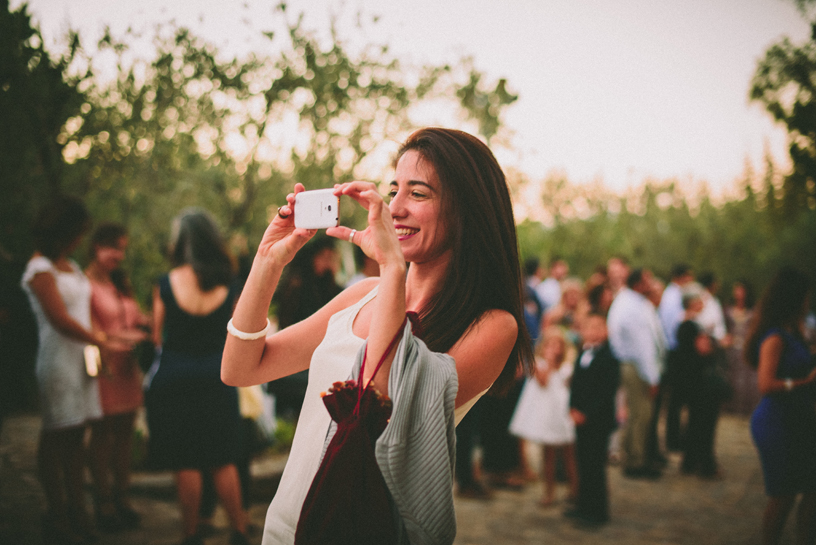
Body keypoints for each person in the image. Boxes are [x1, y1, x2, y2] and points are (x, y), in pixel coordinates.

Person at [221, 127, 531, 545]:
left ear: (467, 210)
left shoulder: (492, 325)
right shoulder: (361, 295)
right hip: (286, 527)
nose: (394, 208)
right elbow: (240, 369)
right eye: (393, 190)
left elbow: (379, 408)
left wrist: (391, 270)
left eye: (418, 194)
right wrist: (267, 261)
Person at [144, 209, 249, 545]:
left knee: (185, 460)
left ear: (181, 241)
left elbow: (157, 336)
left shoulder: (165, 283)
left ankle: (191, 534)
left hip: (174, 378)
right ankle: (240, 531)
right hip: (218, 376)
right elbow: (239, 331)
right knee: (223, 458)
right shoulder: (229, 283)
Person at [20, 195, 110, 544]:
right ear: (62, 230)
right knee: (56, 434)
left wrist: (98, 344)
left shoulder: (70, 265)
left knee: (77, 435)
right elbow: (59, 320)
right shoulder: (39, 269)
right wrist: (100, 339)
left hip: (82, 360)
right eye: (77, 232)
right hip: (58, 361)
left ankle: (78, 507)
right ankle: (57, 511)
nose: (80, 240)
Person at [85, 223, 150, 532]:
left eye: (122, 249)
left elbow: (138, 317)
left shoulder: (120, 283)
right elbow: (92, 331)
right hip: (106, 369)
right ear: (97, 246)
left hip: (129, 370)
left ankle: (123, 497)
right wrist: (125, 337)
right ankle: (104, 500)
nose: (118, 255)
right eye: (113, 248)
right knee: (103, 437)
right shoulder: (85, 285)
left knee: (125, 435)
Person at [747, 267, 816, 545]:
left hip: (798, 421)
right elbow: (766, 384)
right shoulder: (775, 337)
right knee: (783, 497)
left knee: (811, 489)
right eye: (805, 296)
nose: (808, 301)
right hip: (777, 424)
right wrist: (804, 382)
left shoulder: (795, 332)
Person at [267, 235, 343, 420]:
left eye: (332, 258)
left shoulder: (331, 287)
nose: (328, 263)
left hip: (321, 361)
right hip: (296, 360)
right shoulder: (296, 286)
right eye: (324, 257)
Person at [607, 268, 667, 479]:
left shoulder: (634, 301)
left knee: (640, 413)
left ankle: (636, 456)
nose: (650, 284)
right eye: (647, 280)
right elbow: (642, 346)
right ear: (638, 284)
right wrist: (652, 377)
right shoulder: (631, 305)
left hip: (638, 364)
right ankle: (635, 461)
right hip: (637, 366)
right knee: (641, 414)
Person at [509, 327, 578, 507]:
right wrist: (549, 362)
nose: (555, 348)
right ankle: (549, 493)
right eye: (551, 344)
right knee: (548, 456)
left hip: (563, 414)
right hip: (548, 417)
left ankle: (575, 490)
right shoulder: (538, 363)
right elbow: (543, 380)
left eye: (558, 345)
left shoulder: (567, 365)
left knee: (569, 454)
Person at [566, 313, 620, 527]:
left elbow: (605, 393)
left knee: (595, 465)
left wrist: (586, 413)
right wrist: (571, 407)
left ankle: (597, 512)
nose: (594, 331)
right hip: (579, 418)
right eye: (589, 327)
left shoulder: (609, 359)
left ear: (606, 330)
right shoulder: (582, 354)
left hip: (597, 420)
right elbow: (575, 384)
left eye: (599, 326)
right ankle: (583, 505)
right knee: (582, 462)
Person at [675, 288, 725, 478]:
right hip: (700, 381)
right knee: (705, 423)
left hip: (691, 380)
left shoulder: (684, 324)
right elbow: (703, 349)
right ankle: (706, 465)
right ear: (693, 302)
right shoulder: (692, 325)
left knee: (695, 421)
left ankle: (690, 461)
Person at [724, 280, 759, 415]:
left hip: (746, 346)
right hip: (732, 347)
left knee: (747, 377)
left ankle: (746, 407)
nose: (738, 293)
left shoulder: (753, 310)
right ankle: (730, 405)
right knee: (732, 375)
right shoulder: (728, 309)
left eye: (741, 290)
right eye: (736, 290)